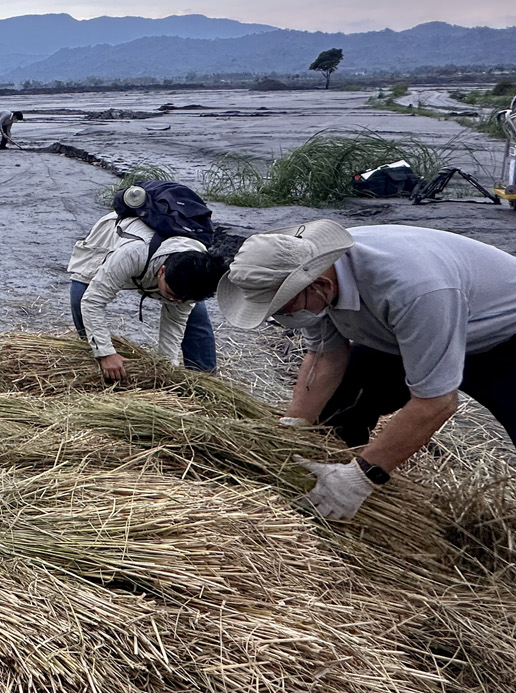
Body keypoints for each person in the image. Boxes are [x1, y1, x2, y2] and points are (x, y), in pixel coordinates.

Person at [217, 219, 516, 521]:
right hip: (402, 332)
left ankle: (356, 480)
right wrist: (295, 425)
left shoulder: (412, 288)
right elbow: (325, 356)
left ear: (321, 285)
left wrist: (362, 477)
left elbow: (437, 403)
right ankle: (337, 478)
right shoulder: (313, 275)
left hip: (504, 338)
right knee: (343, 404)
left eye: (282, 309)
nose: (281, 318)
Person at [67, 206, 228, 379]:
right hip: (113, 237)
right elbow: (93, 302)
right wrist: (105, 352)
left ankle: (205, 378)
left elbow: (174, 323)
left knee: (196, 314)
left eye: (181, 299)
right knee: (81, 295)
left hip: (172, 261)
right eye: (171, 294)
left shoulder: (197, 270)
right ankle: (93, 352)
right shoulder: (131, 254)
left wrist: (166, 370)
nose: (175, 301)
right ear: (162, 272)